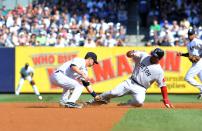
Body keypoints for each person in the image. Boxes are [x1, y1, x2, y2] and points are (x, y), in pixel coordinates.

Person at [92, 48, 173, 108]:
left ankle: (125, 104)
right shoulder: (144, 56)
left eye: (155, 56)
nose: (152, 56)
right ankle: (96, 100)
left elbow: (163, 86)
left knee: (139, 102)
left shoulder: (159, 71)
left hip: (141, 88)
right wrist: (130, 53)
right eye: (152, 54)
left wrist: (166, 99)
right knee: (113, 93)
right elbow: (129, 54)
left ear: (159, 58)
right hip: (130, 81)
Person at [177, 29, 202, 99]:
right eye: (189, 34)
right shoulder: (188, 44)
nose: (190, 36)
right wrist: (182, 54)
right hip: (195, 63)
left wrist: (200, 56)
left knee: (187, 77)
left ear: (194, 35)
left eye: (191, 34)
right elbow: (190, 54)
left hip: (199, 62)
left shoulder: (197, 41)